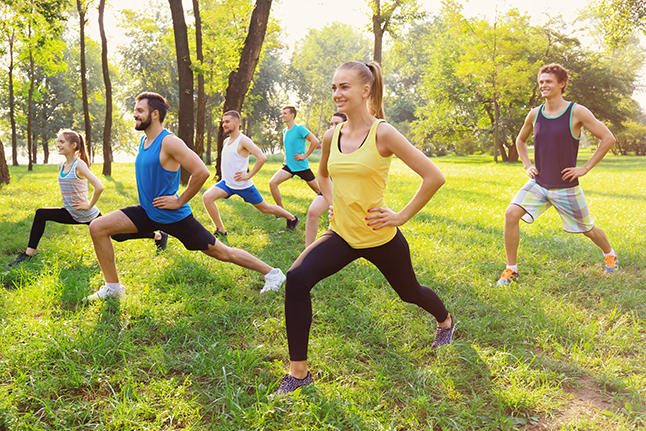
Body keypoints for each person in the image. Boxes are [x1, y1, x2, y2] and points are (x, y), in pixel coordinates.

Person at [273, 62, 455, 396]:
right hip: (341, 234)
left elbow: (434, 176)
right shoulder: (331, 135)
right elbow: (324, 174)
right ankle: (298, 373)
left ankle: (445, 320)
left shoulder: (382, 133)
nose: (337, 94)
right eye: (333, 88)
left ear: (365, 91)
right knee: (297, 279)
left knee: (409, 292)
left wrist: (400, 216)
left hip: (380, 236)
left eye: (344, 87)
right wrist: (330, 201)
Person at [85, 92, 286, 301]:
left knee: (222, 252)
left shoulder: (170, 142)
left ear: (154, 114)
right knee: (98, 227)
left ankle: (273, 274)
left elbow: (201, 171)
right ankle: (113, 288)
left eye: (139, 111)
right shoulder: (144, 141)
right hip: (148, 211)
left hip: (174, 217)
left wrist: (180, 201)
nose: (134, 114)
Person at [496, 63, 618, 286]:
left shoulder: (577, 112)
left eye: (548, 81)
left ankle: (609, 253)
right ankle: (511, 269)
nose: (543, 85)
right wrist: (526, 165)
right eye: (541, 82)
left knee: (588, 229)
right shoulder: (534, 114)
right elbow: (520, 140)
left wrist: (585, 168)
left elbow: (608, 138)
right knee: (511, 214)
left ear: (562, 84)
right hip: (539, 184)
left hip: (566, 187)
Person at [8, 129, 167, 267]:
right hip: (70, 212)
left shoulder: (79, 165)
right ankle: (29, 254)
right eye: (58, 142)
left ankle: (158, 235)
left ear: (73, 145)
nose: (58, 145)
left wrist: (89, 204)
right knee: (41, 213)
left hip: (87, 214)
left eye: (62, 142)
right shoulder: (61, 165)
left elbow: (99, 186)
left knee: (119, 236)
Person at [202, 110, 300, 236]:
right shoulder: (226, 141)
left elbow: (262, 157)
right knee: (207, 197)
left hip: (243, 186)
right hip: (226, 184)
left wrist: (249, 175)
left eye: (227, 122)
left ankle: (292, 218)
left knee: (265, 208)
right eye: (223, 122)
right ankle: (220, 230)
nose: (224, 125)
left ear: (236, 122)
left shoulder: (243, 140)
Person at [304, 112, 346, 247]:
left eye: (337, 124)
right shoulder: (328, 142)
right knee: (312, 212)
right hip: (330, 183)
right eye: (331, 123)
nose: (333, 127)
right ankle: (307, 251)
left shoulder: (352, 143)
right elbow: (323, 173)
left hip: (348, 186)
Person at [268, 106, 321, 208]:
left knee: (319, 191)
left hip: (301, 166)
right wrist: (286, 156)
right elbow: (288, 146)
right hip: (289, 166)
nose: (282, 115)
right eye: (282, 113)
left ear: (292, 115)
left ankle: (335, 208)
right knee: (272, 183)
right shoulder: (285, 131)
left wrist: (305, 155)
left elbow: (315, 141)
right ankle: (281, 210)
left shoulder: (299, 128)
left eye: (285, 113)